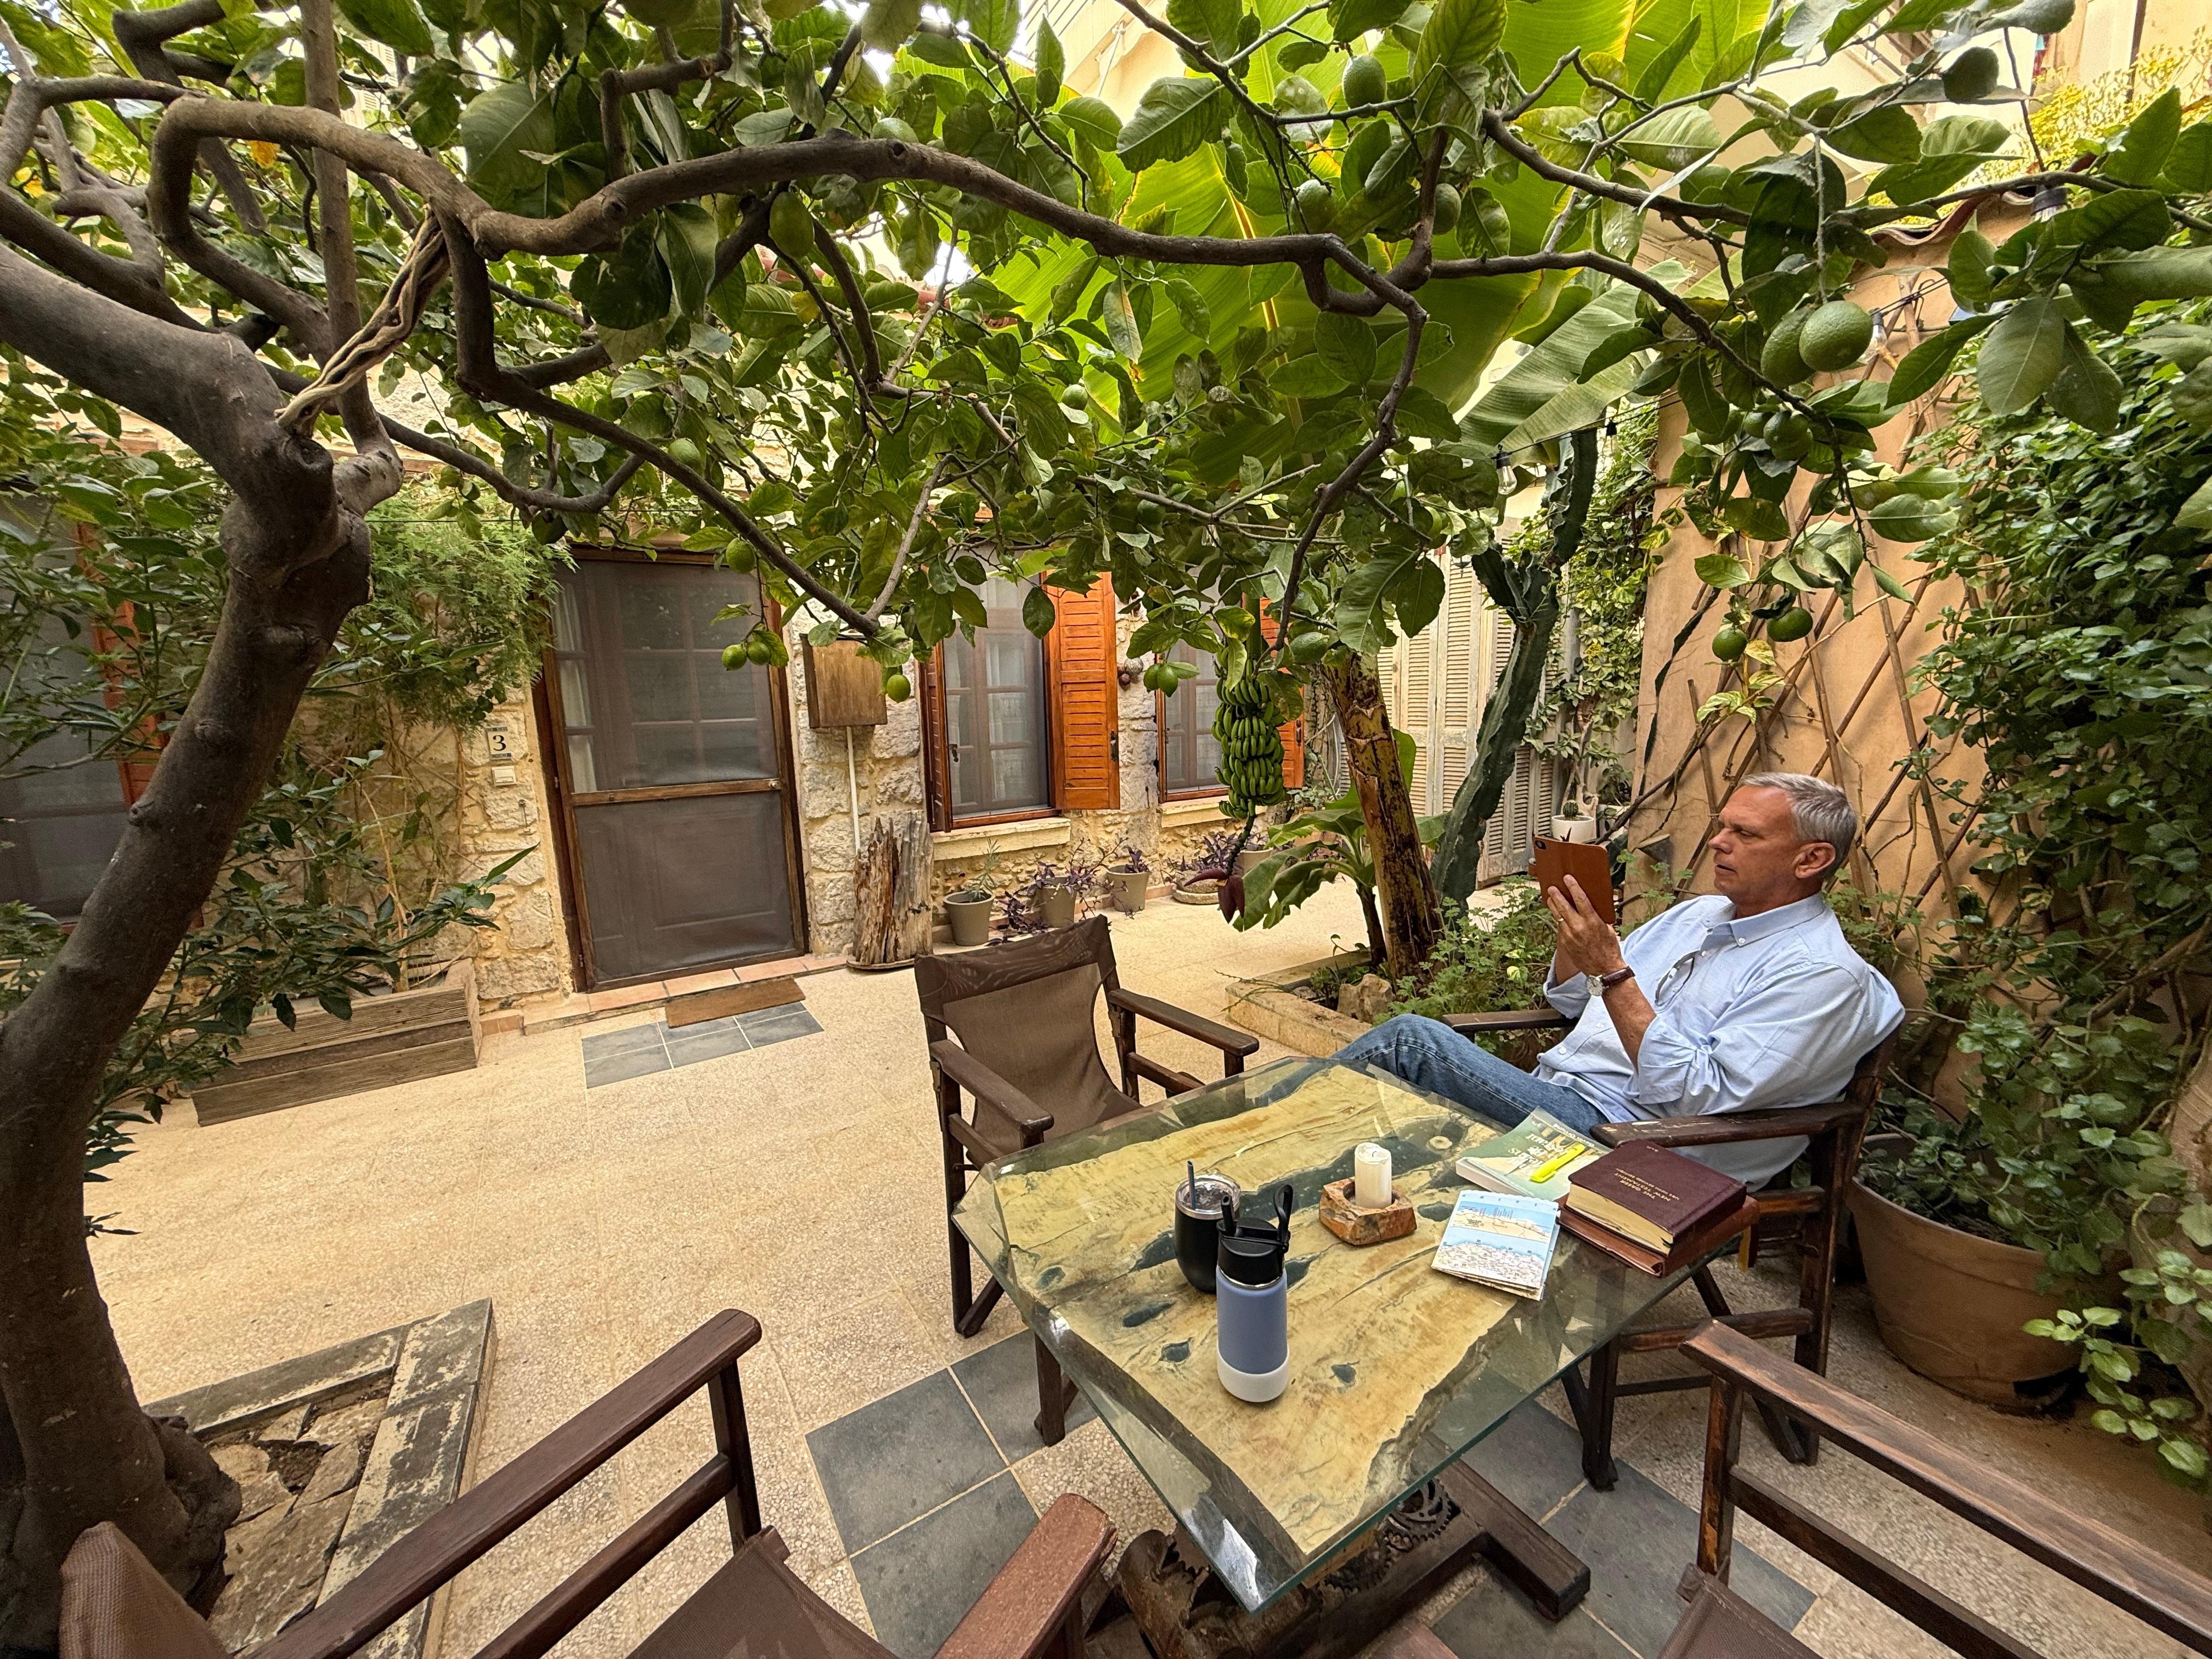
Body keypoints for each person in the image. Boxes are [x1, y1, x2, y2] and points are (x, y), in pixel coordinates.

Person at [1335, 773, 1904, 1187]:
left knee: (1410, 1042)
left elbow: (1697, 1098)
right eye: (1721, 826)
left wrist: (1611, 968)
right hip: (1561, 1100)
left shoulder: (1820, 976)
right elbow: (1573, 1001)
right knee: (1380, 1131)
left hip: (1637, 1144)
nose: (1716, 842)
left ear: (1811, 860)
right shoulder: (1698, 915)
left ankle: (1258, 1135)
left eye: (1745, 834)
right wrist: (1577, 948)